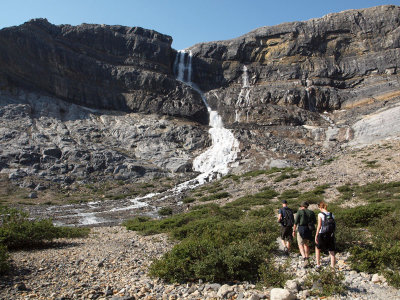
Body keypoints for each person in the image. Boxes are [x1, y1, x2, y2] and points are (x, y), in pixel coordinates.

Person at [293, 201, 316, 267]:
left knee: (300, 244)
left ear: (302, 206)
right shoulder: (311, 212)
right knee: (306, 244)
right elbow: (314, 222)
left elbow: (296, 222)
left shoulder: (299, 212)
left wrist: (294, 230)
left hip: (301, 228)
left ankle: (304, 258)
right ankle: (307, 257)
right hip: (309, 229)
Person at [315, 201, 336, 268]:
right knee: (332, 251)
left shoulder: (320, 214)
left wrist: (316, 235)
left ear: (320, 207)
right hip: (330, 234)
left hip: (322, 234)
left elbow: (319, 226)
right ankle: (332, 267)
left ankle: (318, 264)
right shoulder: (332, 214)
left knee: (318, 248)